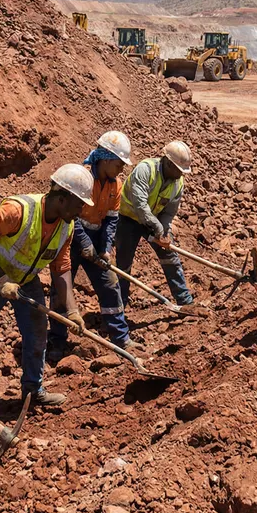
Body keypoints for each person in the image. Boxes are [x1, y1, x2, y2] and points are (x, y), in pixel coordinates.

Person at [0, 165, 93, 407]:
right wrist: (1, 278)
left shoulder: (67, 226)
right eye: (79, 205)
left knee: (37, 333)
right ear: (63, 199)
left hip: (24, 278)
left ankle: (33, 391)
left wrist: (72, 310)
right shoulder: (19, 211)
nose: (81, 211)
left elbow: (61, 268)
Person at [49, 133, 133, 359]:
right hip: (69, 237)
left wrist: (105, 248)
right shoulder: (84, 178)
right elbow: (71, 215)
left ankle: (121, 338)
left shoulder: (116, 184)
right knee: (61, 290)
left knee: (110, 284)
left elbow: (112, 219)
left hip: (96, 239)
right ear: (105, 160)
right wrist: (83, 243)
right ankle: (57, 341)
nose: (121, 169)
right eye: (118, 164)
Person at [116, 141, 194, 309]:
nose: (181, 175)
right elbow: (140, 206)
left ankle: (185, 301)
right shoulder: (146, 170)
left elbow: (169, 212)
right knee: (124, 264)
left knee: (170, 255)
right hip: (128, 219)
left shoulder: (177, 183)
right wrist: (158, 228)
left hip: (155, 220)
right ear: (167, 162)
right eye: (179, 170)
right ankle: (119, 307)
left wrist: (164, 231)